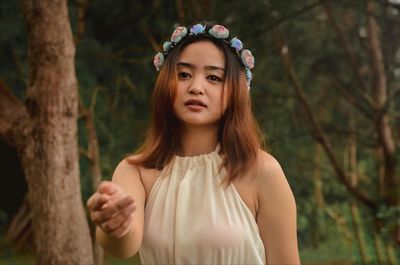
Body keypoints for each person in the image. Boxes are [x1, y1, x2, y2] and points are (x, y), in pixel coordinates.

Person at [87, 22, 300, 265]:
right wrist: (113, 223)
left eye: (214, 77)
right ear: (166, 84)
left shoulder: (262, 171)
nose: (196, 88)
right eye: (184, 74)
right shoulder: (134, 171)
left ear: (236, 91)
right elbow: (123, 246)